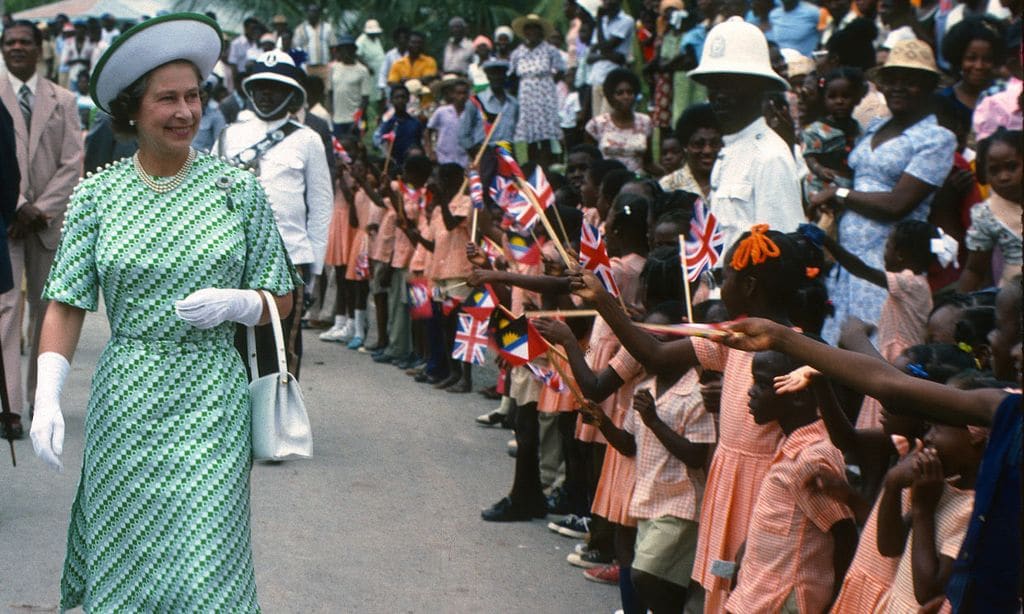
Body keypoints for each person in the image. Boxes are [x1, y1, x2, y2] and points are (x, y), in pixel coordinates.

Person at [28, 14, 299, 610]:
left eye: (194, 96)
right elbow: (67, 302)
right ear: (132, 110)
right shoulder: (98, 194)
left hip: (211, 397)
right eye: (167, 98)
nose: (185, 112)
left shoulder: (238, 190)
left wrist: (242, 303)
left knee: (208, 558)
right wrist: (48, 393)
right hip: (127, 400)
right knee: (127, 557)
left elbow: (282, 296)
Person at [569, 226, 818, 611]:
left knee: (744, 591)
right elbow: (655, 355)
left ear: (750, 286)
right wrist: (604, 302)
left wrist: (605, 302)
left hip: (764, 489)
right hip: (727, 479)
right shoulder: (735, 337)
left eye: (725, 278)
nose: (721, 286)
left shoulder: (793, 350)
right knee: (713, 589)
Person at [813, 40, 956, 345]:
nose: (898, 88)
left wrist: (839, 194)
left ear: (929, 86)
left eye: (911, 81)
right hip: (847, 259)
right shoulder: (874, 126)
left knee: (875, 353)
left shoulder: (936, 138)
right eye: (892, 80)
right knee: (835, 354)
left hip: (886, 264)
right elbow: (858, 180)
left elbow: (897, 204)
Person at [217, 50, 333, 379]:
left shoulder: (308, 139)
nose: (267, 95)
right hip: (232, 257)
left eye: (276, 88)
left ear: (292, 94)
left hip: (289, 259)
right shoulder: (229, 134)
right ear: (250, 90)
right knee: (232, 342)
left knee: (281, 348)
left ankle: (279, 423)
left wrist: (316, 267)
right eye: (261, 87)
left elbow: (321, 205)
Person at [725, 350, 857, 614]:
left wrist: (836, 603)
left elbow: (844, 534)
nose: (751, 392)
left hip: (785, 596)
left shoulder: (811, 458)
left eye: (762, 384)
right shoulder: (791, 442)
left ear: (798, 396)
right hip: (763, 589)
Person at [0, 20, 84, 428]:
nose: (17, 47)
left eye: (24, 42)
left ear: (39, 48)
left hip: (46, 224)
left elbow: (73, 163)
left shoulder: (63, 100)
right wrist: (16, 205)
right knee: (5, 309)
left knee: (45, 309)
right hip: (5, 219)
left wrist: (38, 210)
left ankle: (39, 402)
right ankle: (9, 407)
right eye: (10, 41)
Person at [687, 17, 804, 255]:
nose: (719, 95)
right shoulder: (728, 150)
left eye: (730, 84)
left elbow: (779, 252)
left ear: (758, 87)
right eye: (713, 84)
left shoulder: (770, 157)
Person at [820, 220, 944, 429]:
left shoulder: (910, 283)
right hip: (898, 357)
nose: (884, 252)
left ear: (900, 254)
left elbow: (862, 270)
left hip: (898, 359)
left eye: (887, 246)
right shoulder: (918, 284)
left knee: (884, 420)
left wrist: (828, 243)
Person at [959, 128, 1022, 291]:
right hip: (1013, 300)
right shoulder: (987, 214)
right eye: (994, 170)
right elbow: (975, 270)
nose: (1004, 177)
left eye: (1012, 167)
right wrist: (958, 303)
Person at [509, 14, 566, 167]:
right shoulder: (518, 52)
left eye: (535, 29)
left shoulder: (550, 50)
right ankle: (532, 167)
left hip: (544, 92)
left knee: (546, 133)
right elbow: (512, 74)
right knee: (530, 133)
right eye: (528, 29)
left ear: (540, 31)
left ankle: (549, 165)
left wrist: (547, 84)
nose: (531, 32)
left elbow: (561, 70)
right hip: (526, 93)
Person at [801, 68, 865, 198]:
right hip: (823, 182)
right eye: (832, 97)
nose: (839, 101)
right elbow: (809, 155)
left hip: (849, 183)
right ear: (824, 99)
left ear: (857, 98)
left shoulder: (858, 128)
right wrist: (819, 169)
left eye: (846, 96)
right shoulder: (815, 129)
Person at [937, 17, 1005, 129]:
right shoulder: (944, 101)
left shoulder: (1004, 97)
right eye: (971, 58)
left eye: (987, 59)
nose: (979, 66)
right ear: (958, 59)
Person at [585, 68, 655, 175]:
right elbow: (591, 164)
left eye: (630, 92)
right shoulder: (596, 125)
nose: (626, 97)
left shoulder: (645, 122)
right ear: (611, 97)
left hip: (636, 182)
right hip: (606, 181)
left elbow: (648, 162)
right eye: (620, 93)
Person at [658, 102, 722, 197]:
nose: (707, 151)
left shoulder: (733, 182)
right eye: (698, 144)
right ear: (685, 145)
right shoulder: (667, 186)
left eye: (714, 144)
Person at [587, 0, 634, 118]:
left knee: (607, 121)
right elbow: (590, 56)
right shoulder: (602, 21)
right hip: (597, 77)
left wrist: (598, 22)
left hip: (613, 79)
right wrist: (611, 56)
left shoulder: (626, 21)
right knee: (597, 123)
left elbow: (604, 47)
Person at [328, 35, 371, 139]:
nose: (346, 52)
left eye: (349, 49)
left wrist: (359, 119)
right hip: (337, 119)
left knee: (354, 149)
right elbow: (330, 93)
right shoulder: (333, 68)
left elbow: (365, 99)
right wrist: (331, 113)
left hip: (353, 120)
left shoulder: (362, 70)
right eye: (342, 49)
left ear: (354, 50)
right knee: (338, 150)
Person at [425, 75, 470, 167]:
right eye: (458, 93)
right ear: (453, 94)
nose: (461, 96)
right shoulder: (441, 111)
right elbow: (428, 131)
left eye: (464, 93)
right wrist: (430, 152)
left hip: (464, 159)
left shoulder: (471, 113)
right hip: (443, 158)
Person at [293, 3, 334, 84]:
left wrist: (332, 63)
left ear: (319, 14)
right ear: (307, 13)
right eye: (310, 11)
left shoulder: (327, 27)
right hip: (308, 67)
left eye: (315, 12)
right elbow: (296, 49)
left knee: (325, 91)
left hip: (324, 66)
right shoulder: (300, 29)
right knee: (308, 90)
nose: (313, 14)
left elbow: (333, 47)